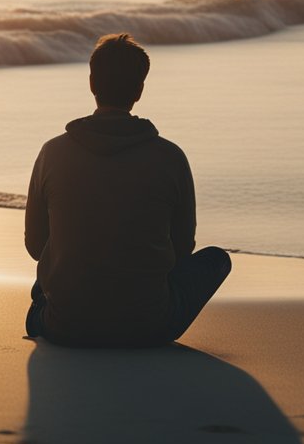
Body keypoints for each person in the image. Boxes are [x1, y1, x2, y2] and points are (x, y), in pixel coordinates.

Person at [24, 33, 231, 347]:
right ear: (139, 89)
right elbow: (181, 249)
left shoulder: (52, 152)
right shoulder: (170, 157)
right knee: (216, 260)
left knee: (49, 279)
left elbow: (36, 246)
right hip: (149, 326)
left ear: (92, 83)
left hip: (65, 326)